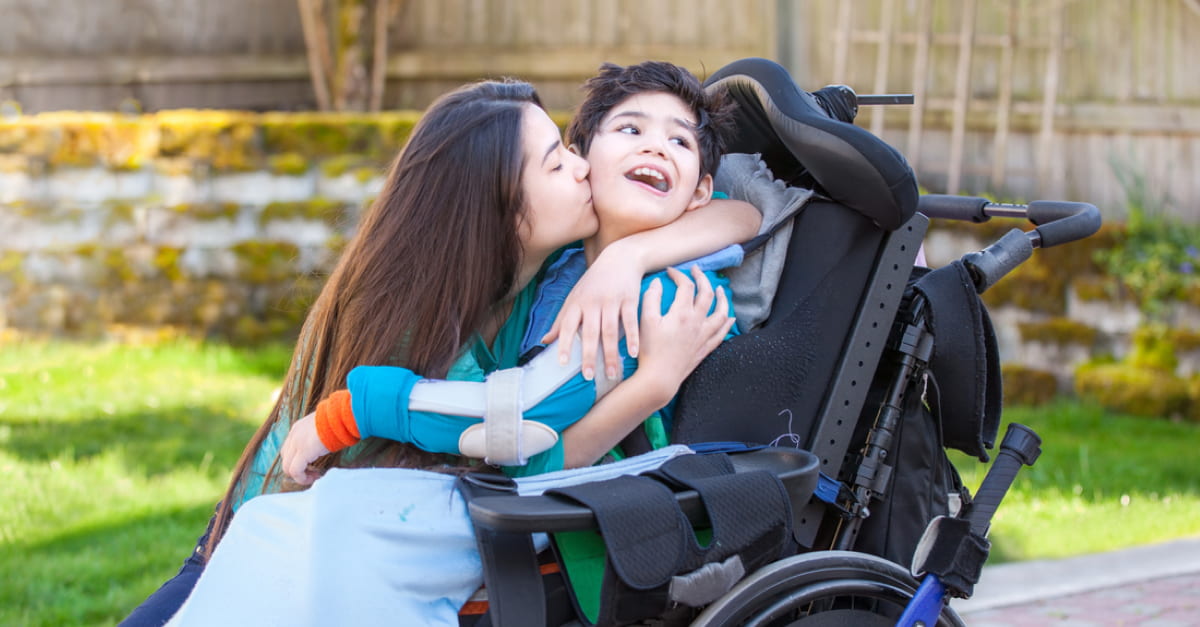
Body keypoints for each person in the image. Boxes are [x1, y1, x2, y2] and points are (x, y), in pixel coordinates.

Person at [121, 76, 759, 626]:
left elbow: (741, 216)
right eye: (558, 161)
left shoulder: (581, 272)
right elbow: (514, 438)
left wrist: (630, 254)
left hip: (363, 548)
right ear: (503, 209)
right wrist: (353, 413)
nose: (581, 168)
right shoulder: (426, 314)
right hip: (279, 534)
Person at [278, 61, 743, 483]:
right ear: (584, 158)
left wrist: (362, 407)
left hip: (608, 524)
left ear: (700, 191)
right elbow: (516, 458)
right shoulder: (558, 268)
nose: (656, 148)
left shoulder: (670, 296)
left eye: (679, 140)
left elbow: (519, 420)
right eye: (630, 130)